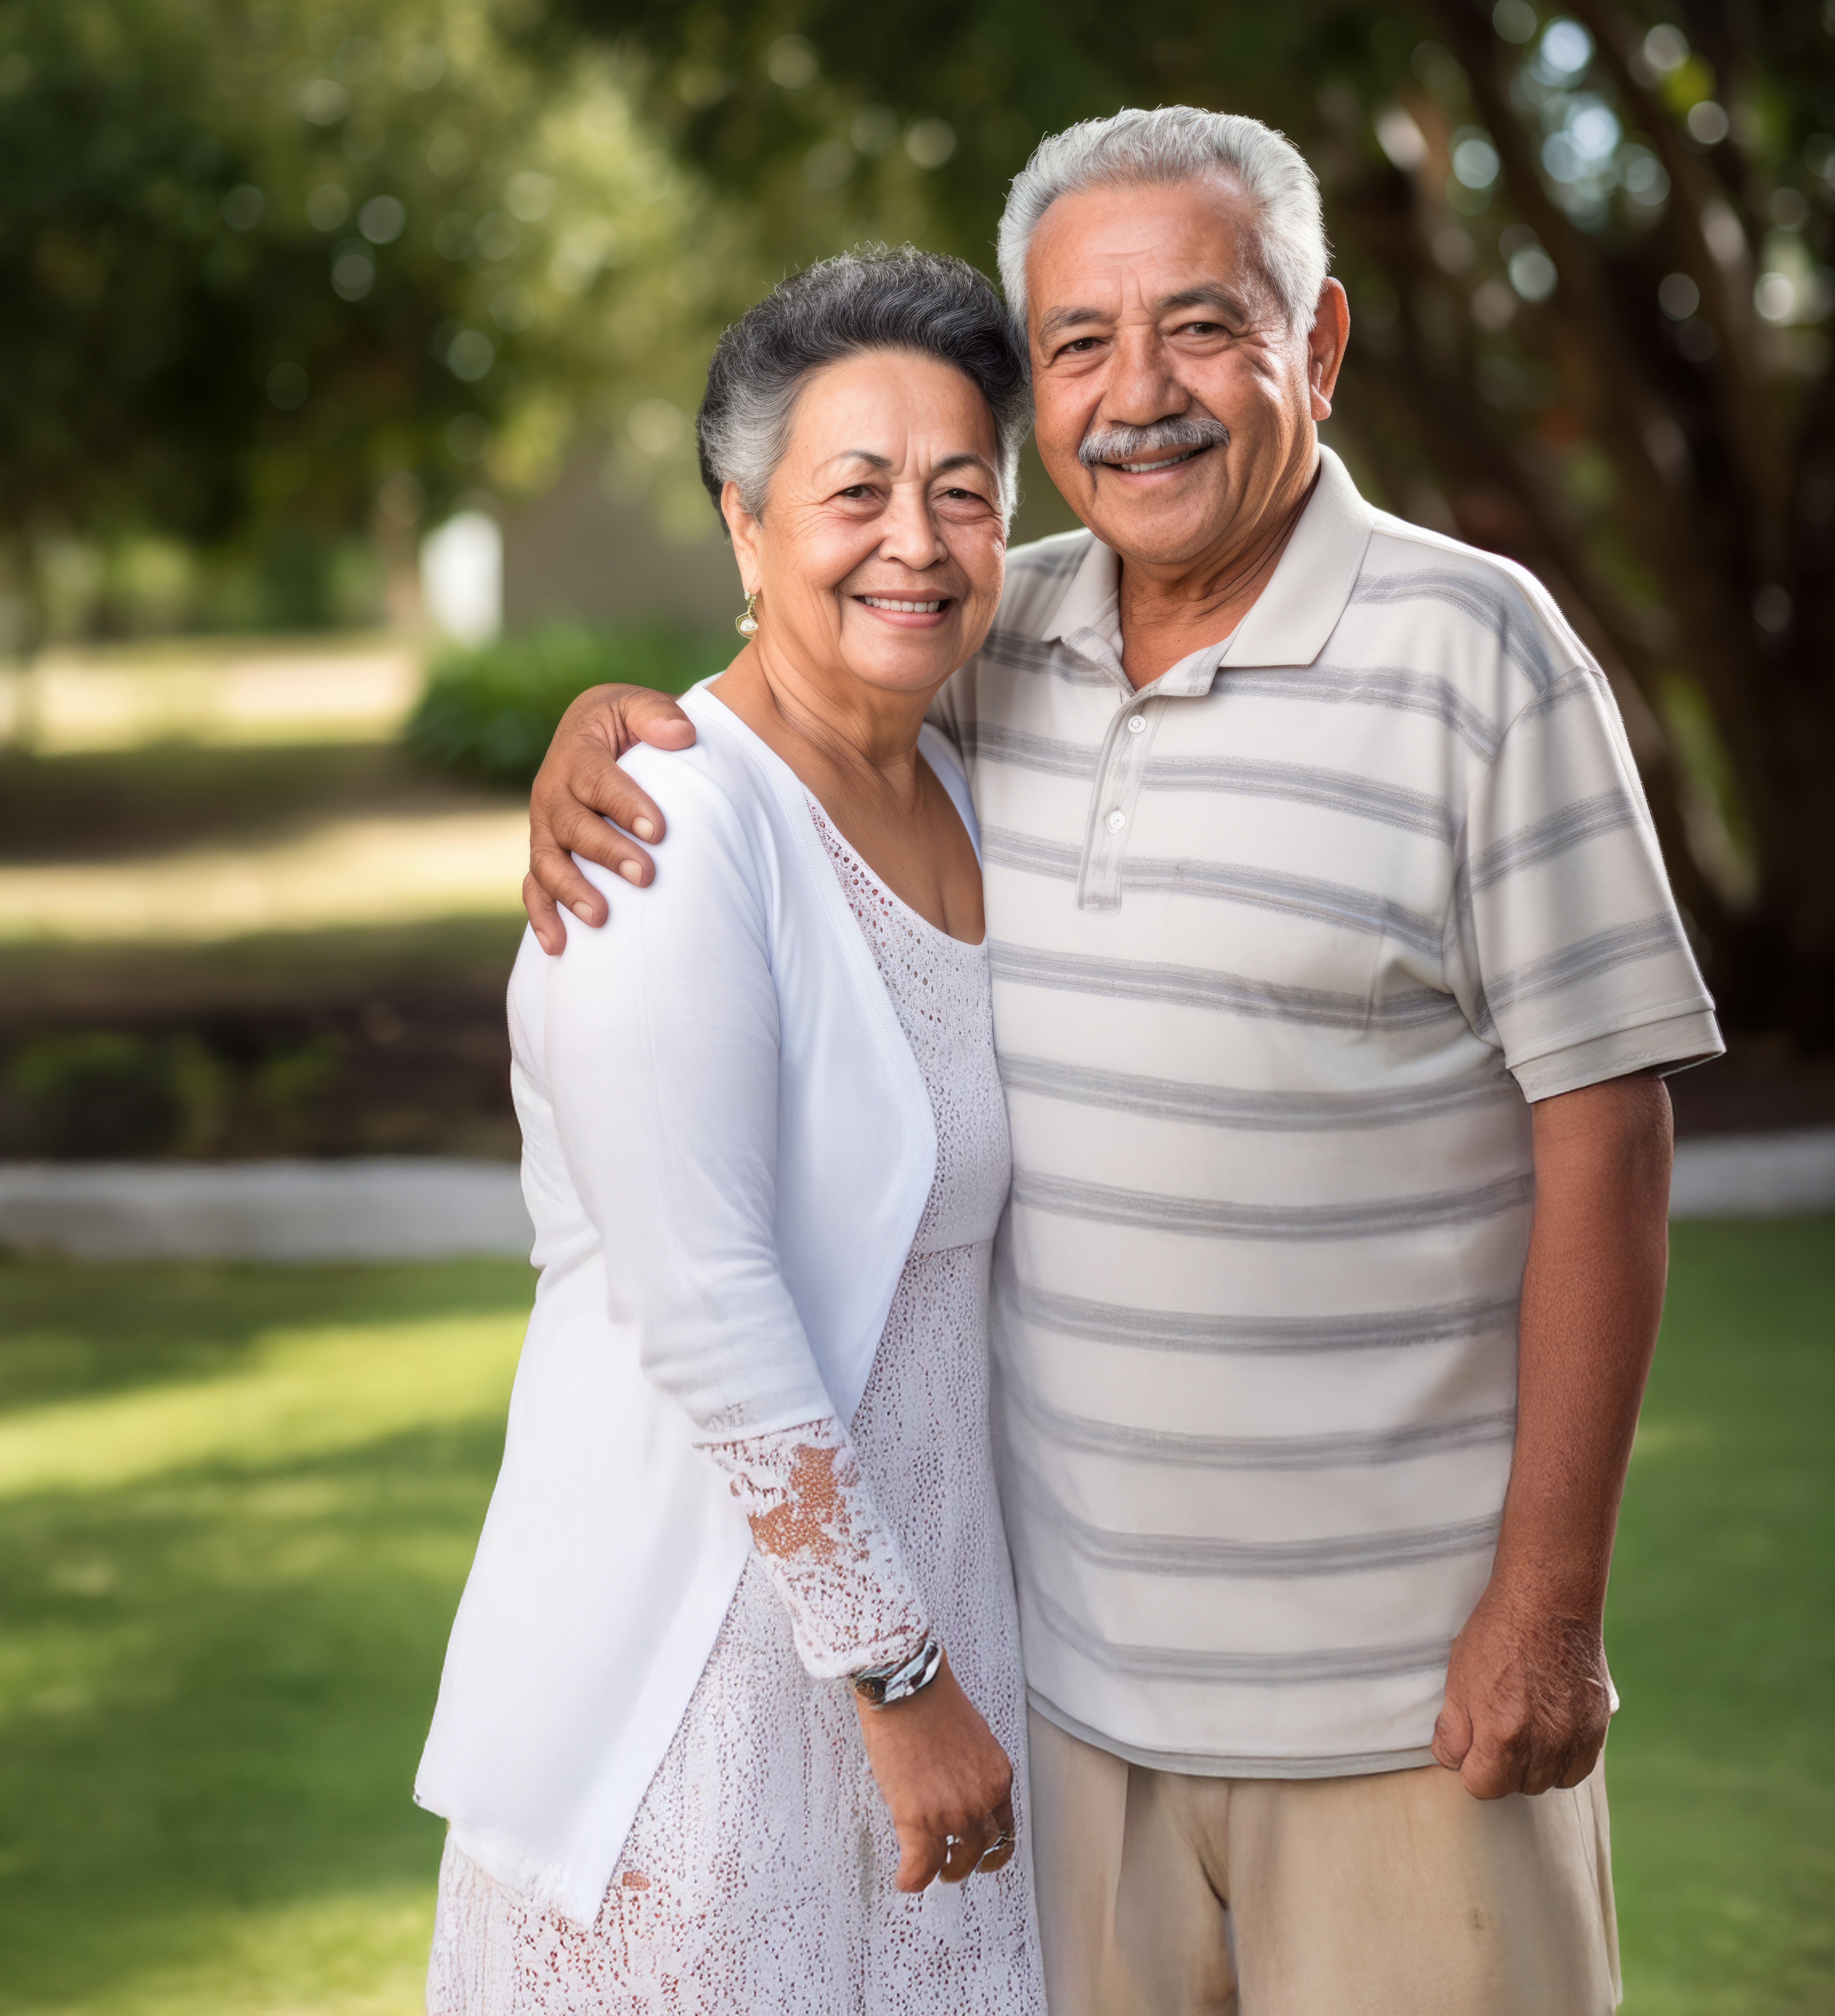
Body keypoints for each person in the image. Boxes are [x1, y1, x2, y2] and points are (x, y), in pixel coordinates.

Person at [523, 109, 1722, 2015]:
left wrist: (1549, 1606)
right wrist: (618, 728)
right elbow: (808, 671)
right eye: (1078, 343)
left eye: (1201, 327)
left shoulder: (1480, 656)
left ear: (1316, 346)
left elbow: (1614, 1138)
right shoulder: (1008, 643)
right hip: (1070, 1707)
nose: (1135, 395)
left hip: (1404, 1704)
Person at [413, 245, 1046, 2014]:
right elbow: (707, 1293)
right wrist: (898, 1676)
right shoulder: (665, 834)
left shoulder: (972, 779)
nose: (915, 541)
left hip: (938, 1658)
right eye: (856, 492)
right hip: (703, 1697)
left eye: (963, 492)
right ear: (746, 523)